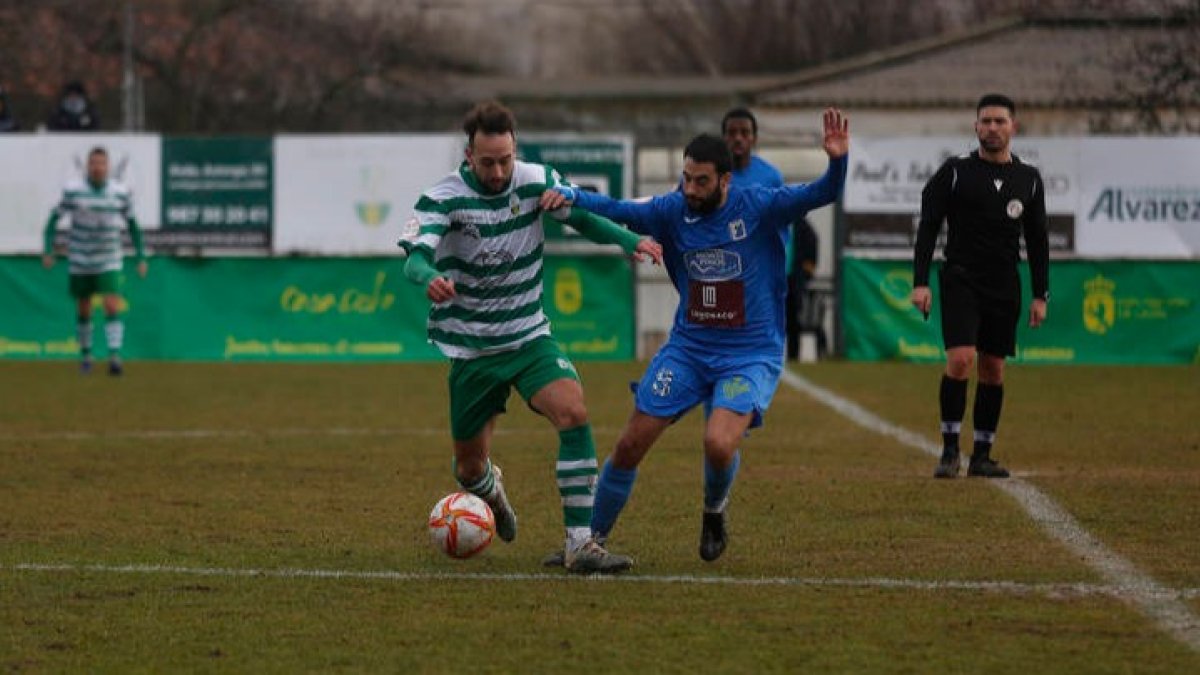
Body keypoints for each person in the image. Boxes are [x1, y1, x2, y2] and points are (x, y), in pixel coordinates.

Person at [541, 108, 849, 562]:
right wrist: (571, 195)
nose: (690, 189)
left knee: (718, 442)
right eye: (685, 178)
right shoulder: (672, 210)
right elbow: (620, 209)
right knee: (629, 444)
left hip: (750, 353)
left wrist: (837, 161)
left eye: (700, 181)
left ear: (726, 181)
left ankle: (713, 510)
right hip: (689, 349)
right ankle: (589, 540)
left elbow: (824, 191)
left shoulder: (760, 205)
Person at [398, 101, 662, 574]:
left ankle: (580, 543)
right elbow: (414, 257)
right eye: (487, 162)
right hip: (472, 349)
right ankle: (492, 494)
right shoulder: (444, 197)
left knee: (574, 411)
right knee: (469, 470)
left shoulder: (537, 180)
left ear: (514, 149)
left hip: (528, 337)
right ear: (468, 155)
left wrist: (630, 241)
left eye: (505, 160)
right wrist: (429, 277)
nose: (498, 172)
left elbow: (583, 220)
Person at [911, 93, 1050, 479]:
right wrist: (920, 282)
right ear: (975, 127)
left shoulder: (1029, 180)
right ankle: (950, 449)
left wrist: (1041, 294)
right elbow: (928, 225)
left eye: (1000, 121)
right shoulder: (955, 172)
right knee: (961, 359)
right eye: (985, 121)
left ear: (1013, 128)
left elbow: (1038, 239)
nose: (992, 128)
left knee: (993, 369)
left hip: (1004, 284)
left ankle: (982, 455)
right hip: (961, 279)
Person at [42, 146, 148, 375]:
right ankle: (87, 356)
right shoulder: (73, 191)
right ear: (88, 166)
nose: (98, 167)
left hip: (109, 258)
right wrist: (47, 249)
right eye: (94, 163)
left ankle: (114, 357)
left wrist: (141, 255)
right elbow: (52, 220)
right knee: (84, 308)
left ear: (108, 167)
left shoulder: (119, 192)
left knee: (111, 303)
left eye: (102, 163)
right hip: (80, 258)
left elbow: (133, 225)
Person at [724, 106, 815, 361]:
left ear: (754, 138)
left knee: (765, 335)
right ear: (724, 138)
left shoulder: (771, 176)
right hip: (723, 271)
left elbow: (784, 220)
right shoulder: (711, 175)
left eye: (744, 132)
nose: (738, 138)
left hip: (763, 273)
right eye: (732, 133)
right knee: (726, 338)